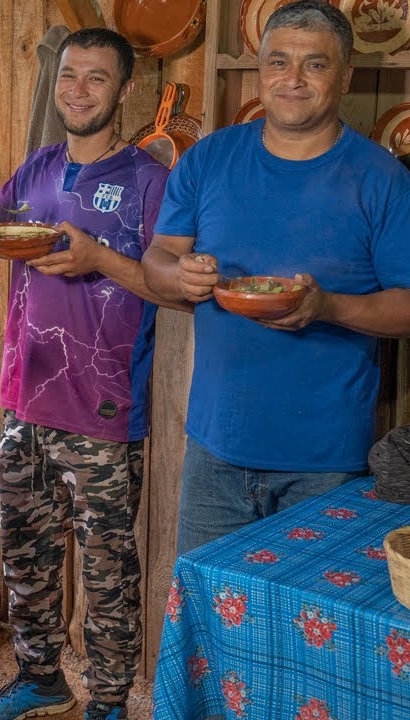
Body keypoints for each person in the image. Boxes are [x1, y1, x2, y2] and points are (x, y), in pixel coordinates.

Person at [0, 27, 182, 720]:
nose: (77, 90)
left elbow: (174, 289)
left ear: (124, 90)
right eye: (68, 76)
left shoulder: (149, 181)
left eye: (95, 77)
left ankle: (109, 701)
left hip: (104, 412)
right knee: (26, 557)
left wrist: (99, 259)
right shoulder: (37, 168)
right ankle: (41, 678)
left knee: (108, 573)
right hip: (24, 400)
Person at [142, 0, 410, 555]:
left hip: (326, 462)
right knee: (206, 603)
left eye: (315, 64)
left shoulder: (383, 179)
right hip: (214, 451)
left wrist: (327, 306)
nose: (292, 79)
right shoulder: (208, 159)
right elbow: (159, 257)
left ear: (345, 77)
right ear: (261, 69)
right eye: (278, 61)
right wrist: (179, 277)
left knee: (306, 609)